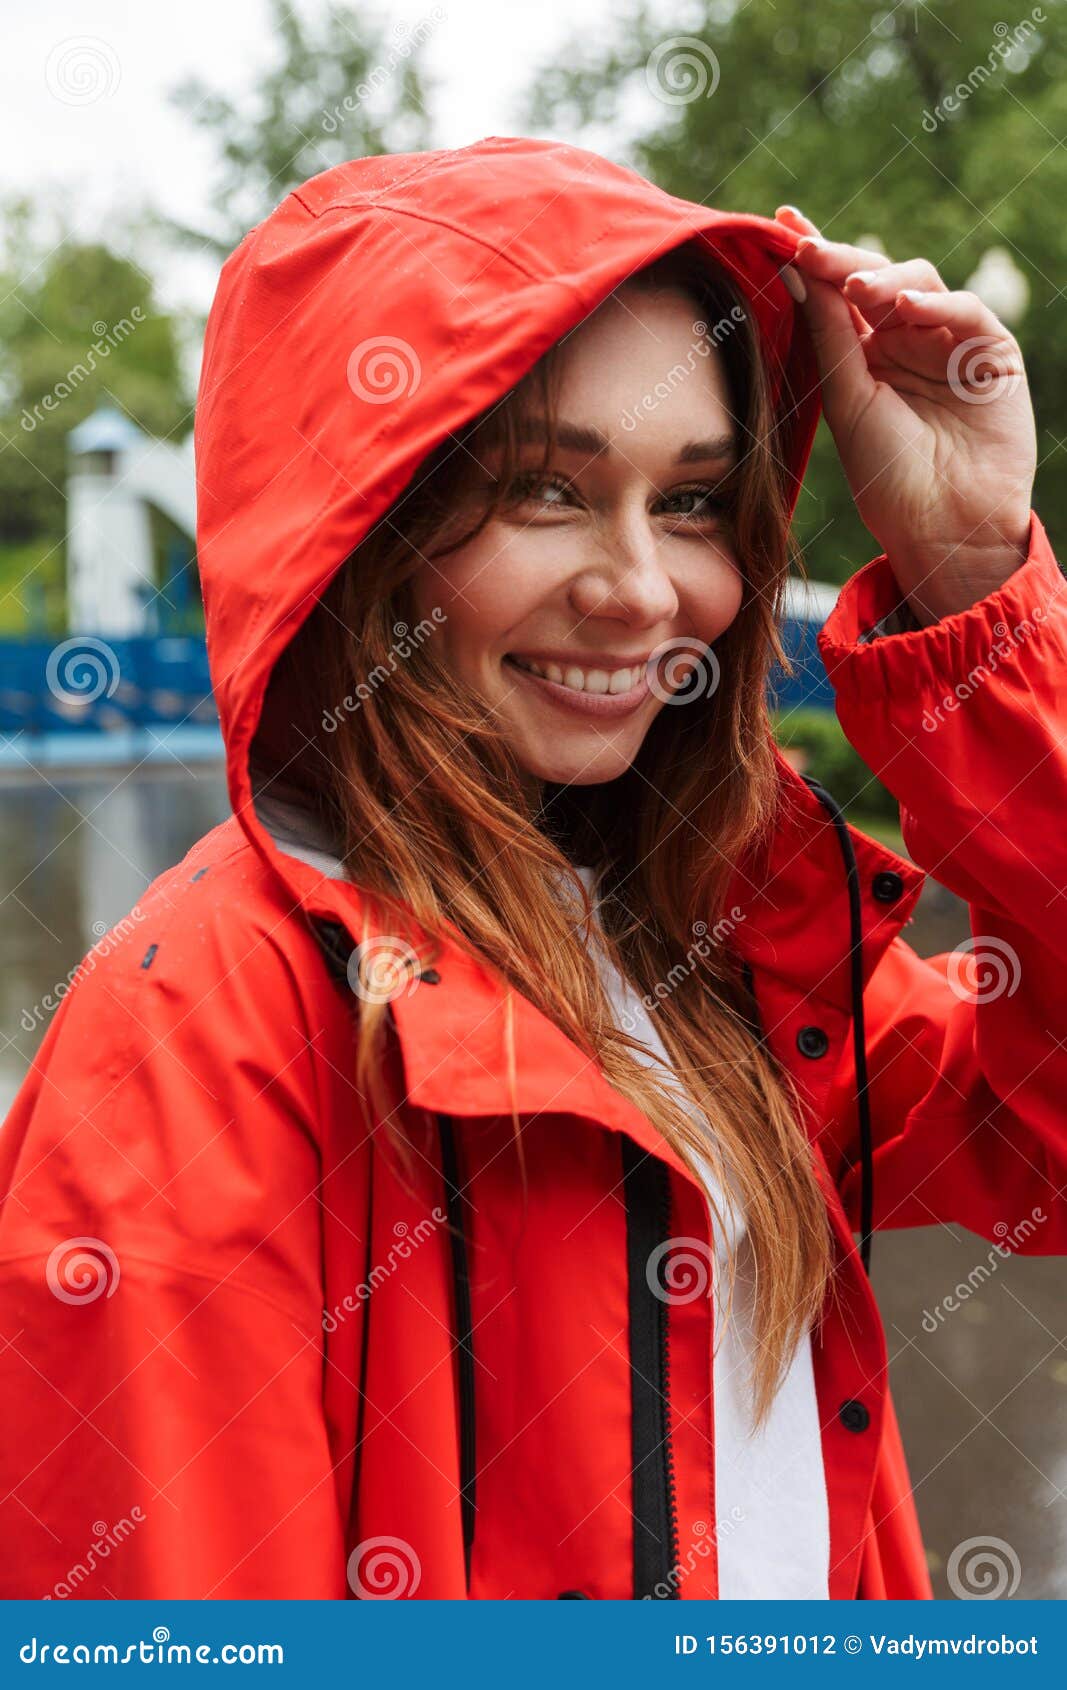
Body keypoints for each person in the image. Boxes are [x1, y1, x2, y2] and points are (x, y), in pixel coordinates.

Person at [1, 135, 1064, 1602]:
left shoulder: (717, 938)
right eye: (548, 494)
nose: (641, 588)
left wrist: (969, 581)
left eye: (693, 501)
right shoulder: (202, 1031)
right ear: (362, 528)